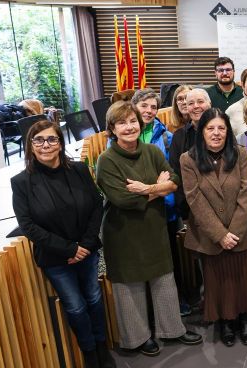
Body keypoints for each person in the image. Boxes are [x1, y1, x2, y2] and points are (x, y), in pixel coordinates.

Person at [95, 101, 201, 356]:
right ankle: (138, 338)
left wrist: (147, 189)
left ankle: (172, 329)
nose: (129, 127)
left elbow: (174, 181)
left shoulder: (152, 151)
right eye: (122, 123)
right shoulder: (106, 161)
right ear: (112, 128)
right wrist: (157, 187)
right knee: (129, 287)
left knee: (163, 280)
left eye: (133, 121)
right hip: (123, 233)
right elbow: (123, 200)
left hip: (154, 228)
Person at [11, 121, 116, 368]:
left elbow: (95, 204)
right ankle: (89, 351)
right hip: (56, 258)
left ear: (60, 143)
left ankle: (102, 346)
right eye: (38, 140)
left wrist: (86, 245)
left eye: (51, 139)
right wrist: (69, 249)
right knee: (76, 307)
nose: (45, 145)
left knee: (93, 298)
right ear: (30, 146)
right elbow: (28, 226)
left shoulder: (79, 170)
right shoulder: (21, 182)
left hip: (87, 251)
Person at [181, 108, 247, 347]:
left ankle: (246, 318)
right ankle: (226, 321)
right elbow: (194, 199)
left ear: (228, 131)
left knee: (244, 277)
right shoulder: (188, 160)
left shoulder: (240, 154)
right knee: (219, 280)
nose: (216, 133)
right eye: (210, 128)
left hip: (242, 231)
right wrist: (220, 235)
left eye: (221, 128)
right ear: (201, 131)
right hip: (210, 235)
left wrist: (234, 233)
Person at [131, 88, 190, 316]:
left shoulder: (166, 136)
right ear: (134, 107)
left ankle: (178, 302)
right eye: (144, 106)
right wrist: (157, 184)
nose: (148, 111)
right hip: (138, 211)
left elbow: (173, 175)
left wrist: (148, 187)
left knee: (170, 258)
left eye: (153, 107)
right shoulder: (122, 136)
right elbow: (126, 182)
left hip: (166, 208)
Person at [170, 88, 212, 218]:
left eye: (200, 101)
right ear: (186, 108)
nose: (196, 107)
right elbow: (176, 173)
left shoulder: (222, 131)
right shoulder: (179, 137)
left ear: (209, 104)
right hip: (191, 208)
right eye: (191, 103)